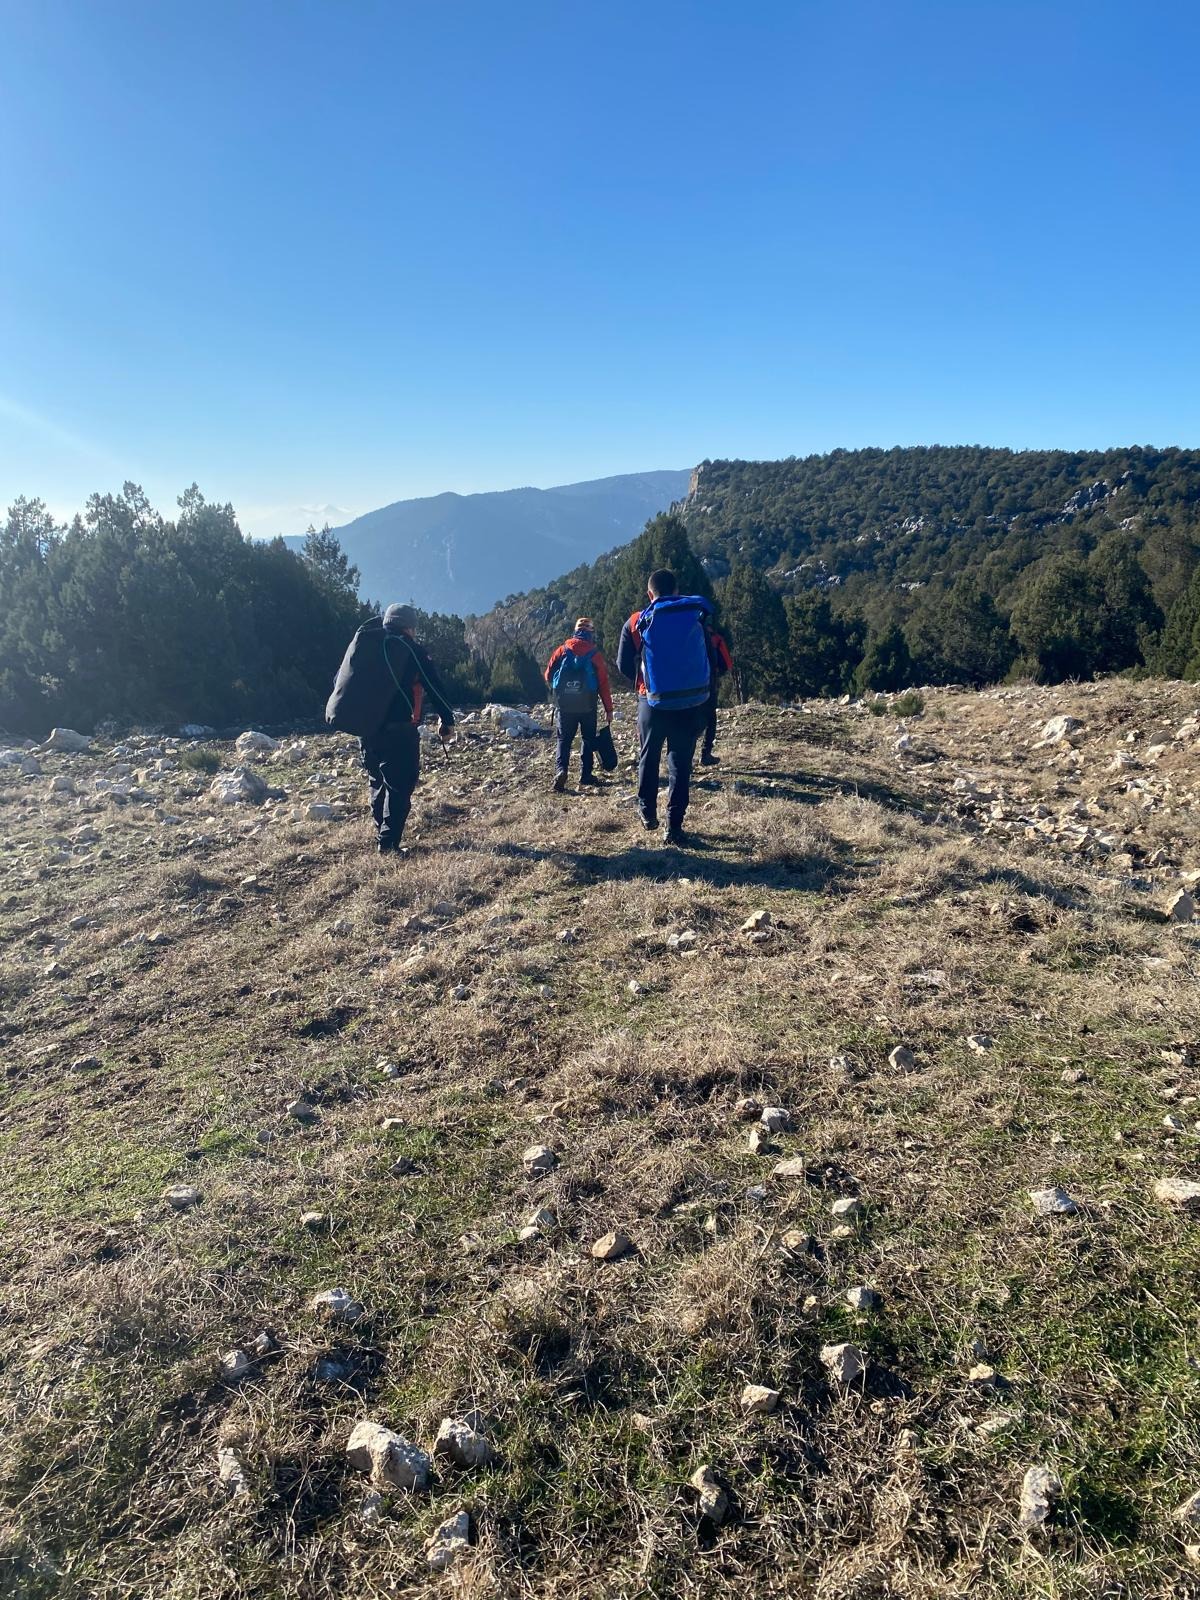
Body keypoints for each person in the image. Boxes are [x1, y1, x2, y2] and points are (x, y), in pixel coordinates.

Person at [616, 570, 713, 845]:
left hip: (651, 700)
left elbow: (623, 665)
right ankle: (675, 826)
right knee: (680, 764)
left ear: (650, 594)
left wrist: (644, 679)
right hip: (690, 700)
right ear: (677, 591)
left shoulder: (636, 621)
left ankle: (647, 812)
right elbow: (709, 654)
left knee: (649, 754)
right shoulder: (693, 614)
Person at [362, 604, 455, 854]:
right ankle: (389, 844)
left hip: (368, 729)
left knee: (377, 781)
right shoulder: (411, 650)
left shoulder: (367, 647)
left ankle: (382, 833)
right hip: (400, 728)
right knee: (400, 784)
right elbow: (434, 686)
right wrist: (447, 720)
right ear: (410, 627)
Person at [544, 617, 614, 792]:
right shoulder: (595, 655)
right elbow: (603, 684)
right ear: (591, 633)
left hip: (565, 705)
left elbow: (548, 675)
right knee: (588, 739)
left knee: (563, 740)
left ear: (575, 631)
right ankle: (586, 776)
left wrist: (560, 690)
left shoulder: (562, 650)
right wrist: (609, 709)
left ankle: (561, 770)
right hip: (588, 705)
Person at [702, 627, 733, 765]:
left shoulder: (682, 634)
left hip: (684, 686)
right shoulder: (715, 638)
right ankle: (706, 754)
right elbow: (727, 664)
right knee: (710, 719)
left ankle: (684, 759)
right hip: (708, 684)